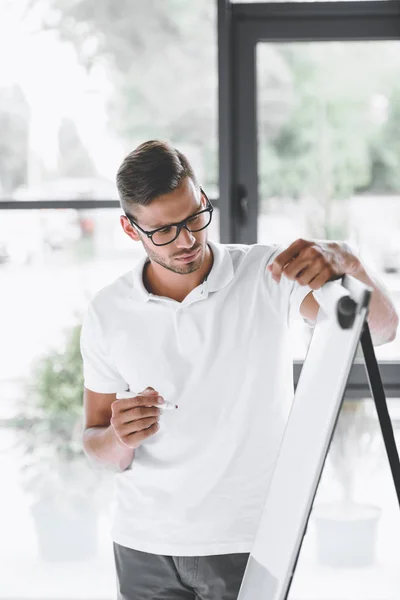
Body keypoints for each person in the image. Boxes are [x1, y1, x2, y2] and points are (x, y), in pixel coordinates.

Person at [80, 140, 398, 600]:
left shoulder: (267, 274)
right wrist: (118, 437)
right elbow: (96, 446)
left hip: (245, 541)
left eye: (194, 218)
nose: (187, 240)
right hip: (142, 543)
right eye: (164, 231)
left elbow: (382, 329)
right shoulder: (108, 310)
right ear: (131, 231)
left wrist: (350, 263)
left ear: (203, 198)